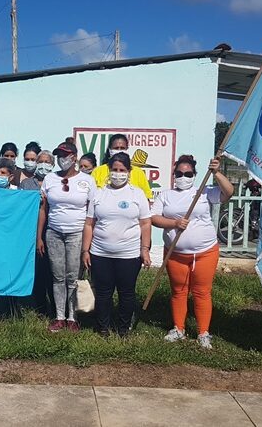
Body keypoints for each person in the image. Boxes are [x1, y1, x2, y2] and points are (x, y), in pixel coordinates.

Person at [150, 154, 233, 349]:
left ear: (194, 174)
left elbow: (228, 193)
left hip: (205, 252)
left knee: (202, 292)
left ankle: (203, 332)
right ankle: (179, 328)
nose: (183, 176)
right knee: (178, 291)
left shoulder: (203, 192)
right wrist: (175, 223)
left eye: (188, 173)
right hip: (175, 254)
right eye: (179, 173)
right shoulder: (165, 195)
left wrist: (217, 173)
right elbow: (153, 218)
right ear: (173, 174)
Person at [82, 153, 152, 337]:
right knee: (104, 293)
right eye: (114, 170)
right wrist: (85, 250)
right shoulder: (99, 194)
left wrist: (145, 249)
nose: (118, 173)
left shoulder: (137, 194)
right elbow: (89, 224)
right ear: (109, 170)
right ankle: (102, 327)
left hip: (129, 255)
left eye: (122, 170)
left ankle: (123, 329)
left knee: (126, 293)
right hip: (100, 253)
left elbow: (145, 223)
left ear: (129, 172)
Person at [38, 141, 96, 332]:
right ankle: (59, 316)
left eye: (66, 155)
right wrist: (40, 237)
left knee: (73, 276)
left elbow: (91, 214)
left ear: (74, 157)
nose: (62, 159)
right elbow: (43, 209)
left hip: (77, 233)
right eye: (59, 155)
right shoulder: (50, 178)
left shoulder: (87, 180)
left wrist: (88, 242)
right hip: (54, 232)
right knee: (57, 276)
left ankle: (73, 317)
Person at [20, 150, 55, 315]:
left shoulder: (57, 182)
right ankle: (40, 308)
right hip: (30, 233)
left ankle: (56, 308)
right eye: (40, 161)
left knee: (53, 272)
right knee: (37, 271)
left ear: (53, 165)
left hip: (54, 231)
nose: (43, 164)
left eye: (47, 162)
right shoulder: (26, 184)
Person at [91, 134, 153, 199]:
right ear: (109, 150)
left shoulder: (138, 172)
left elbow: (147, 198)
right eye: (116, 148)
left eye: (122, 148)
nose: (119, 151)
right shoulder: (97, 171)